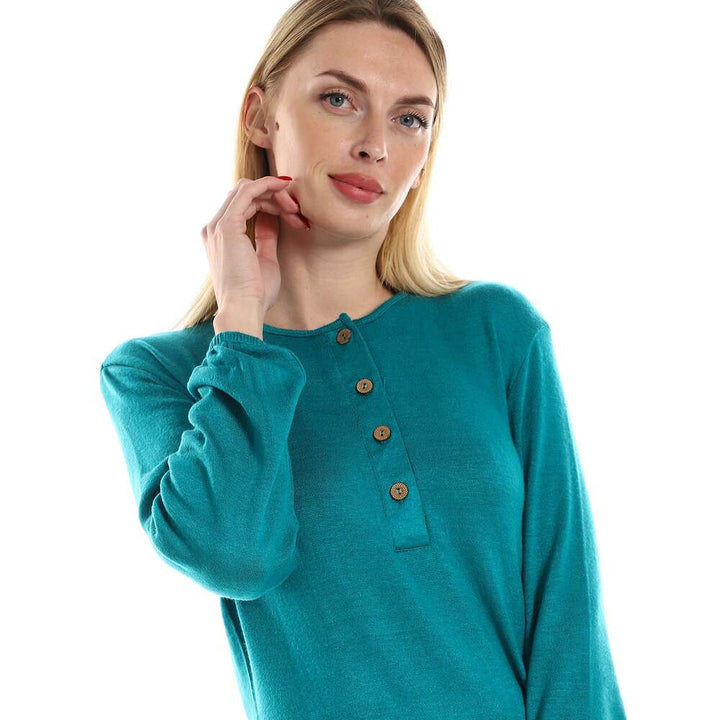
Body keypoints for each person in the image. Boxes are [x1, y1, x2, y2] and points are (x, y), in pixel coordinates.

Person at [99, 1, 627, 718]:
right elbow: (236, 555)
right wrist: (242, 321)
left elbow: (569, 621)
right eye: (339, 99)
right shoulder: (160, 374)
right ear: (260, 116)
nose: (375, 144)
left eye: (410, 118)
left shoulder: (496, 331)